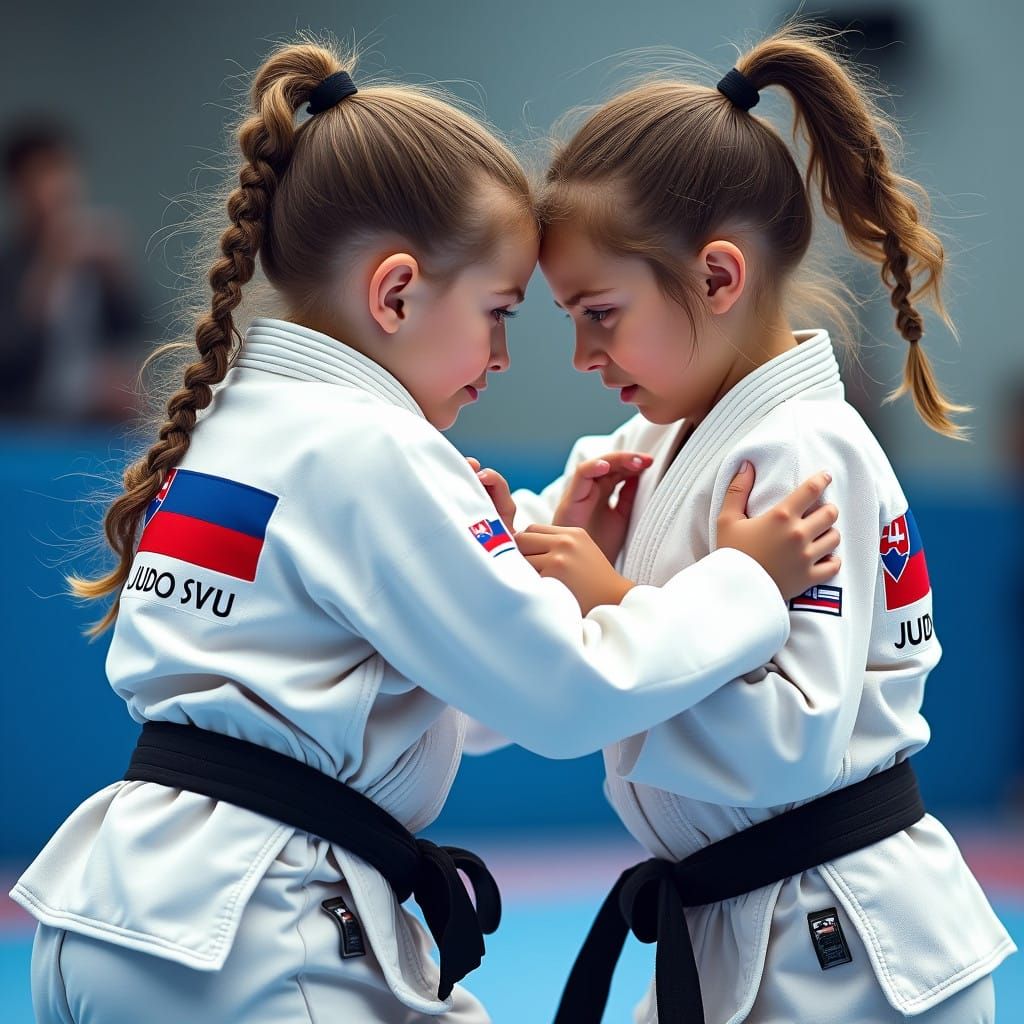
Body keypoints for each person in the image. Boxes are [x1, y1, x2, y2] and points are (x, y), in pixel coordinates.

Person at [9, 39, 841, 1024]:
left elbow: (445, 689)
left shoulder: (238, 421)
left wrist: (534, 553)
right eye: (497, 312)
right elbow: (566, 696)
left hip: (117, 917)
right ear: (395, 292)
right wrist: (743, 582)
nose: (498, 355)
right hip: (250, 941)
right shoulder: (373, 447)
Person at [476, 24, 1014, 1024]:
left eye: (599, 311)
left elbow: (792, 742)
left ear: (718, 277)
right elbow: (536, 664)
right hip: (743, 921)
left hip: (844, 944)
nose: (584, 354)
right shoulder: (656, 441)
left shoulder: (809, 453)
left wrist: (618, 602)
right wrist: (509, 553)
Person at [0, 119, 142, 421]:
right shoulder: (10, 266)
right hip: (22, 427)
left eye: (65, 170)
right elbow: (10, 361)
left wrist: (119, 276)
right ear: (18, 186)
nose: (61, 185)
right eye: (45, 173)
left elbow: (134, 330)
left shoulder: (92, 260)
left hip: (95, 424)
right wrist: (51, 266)